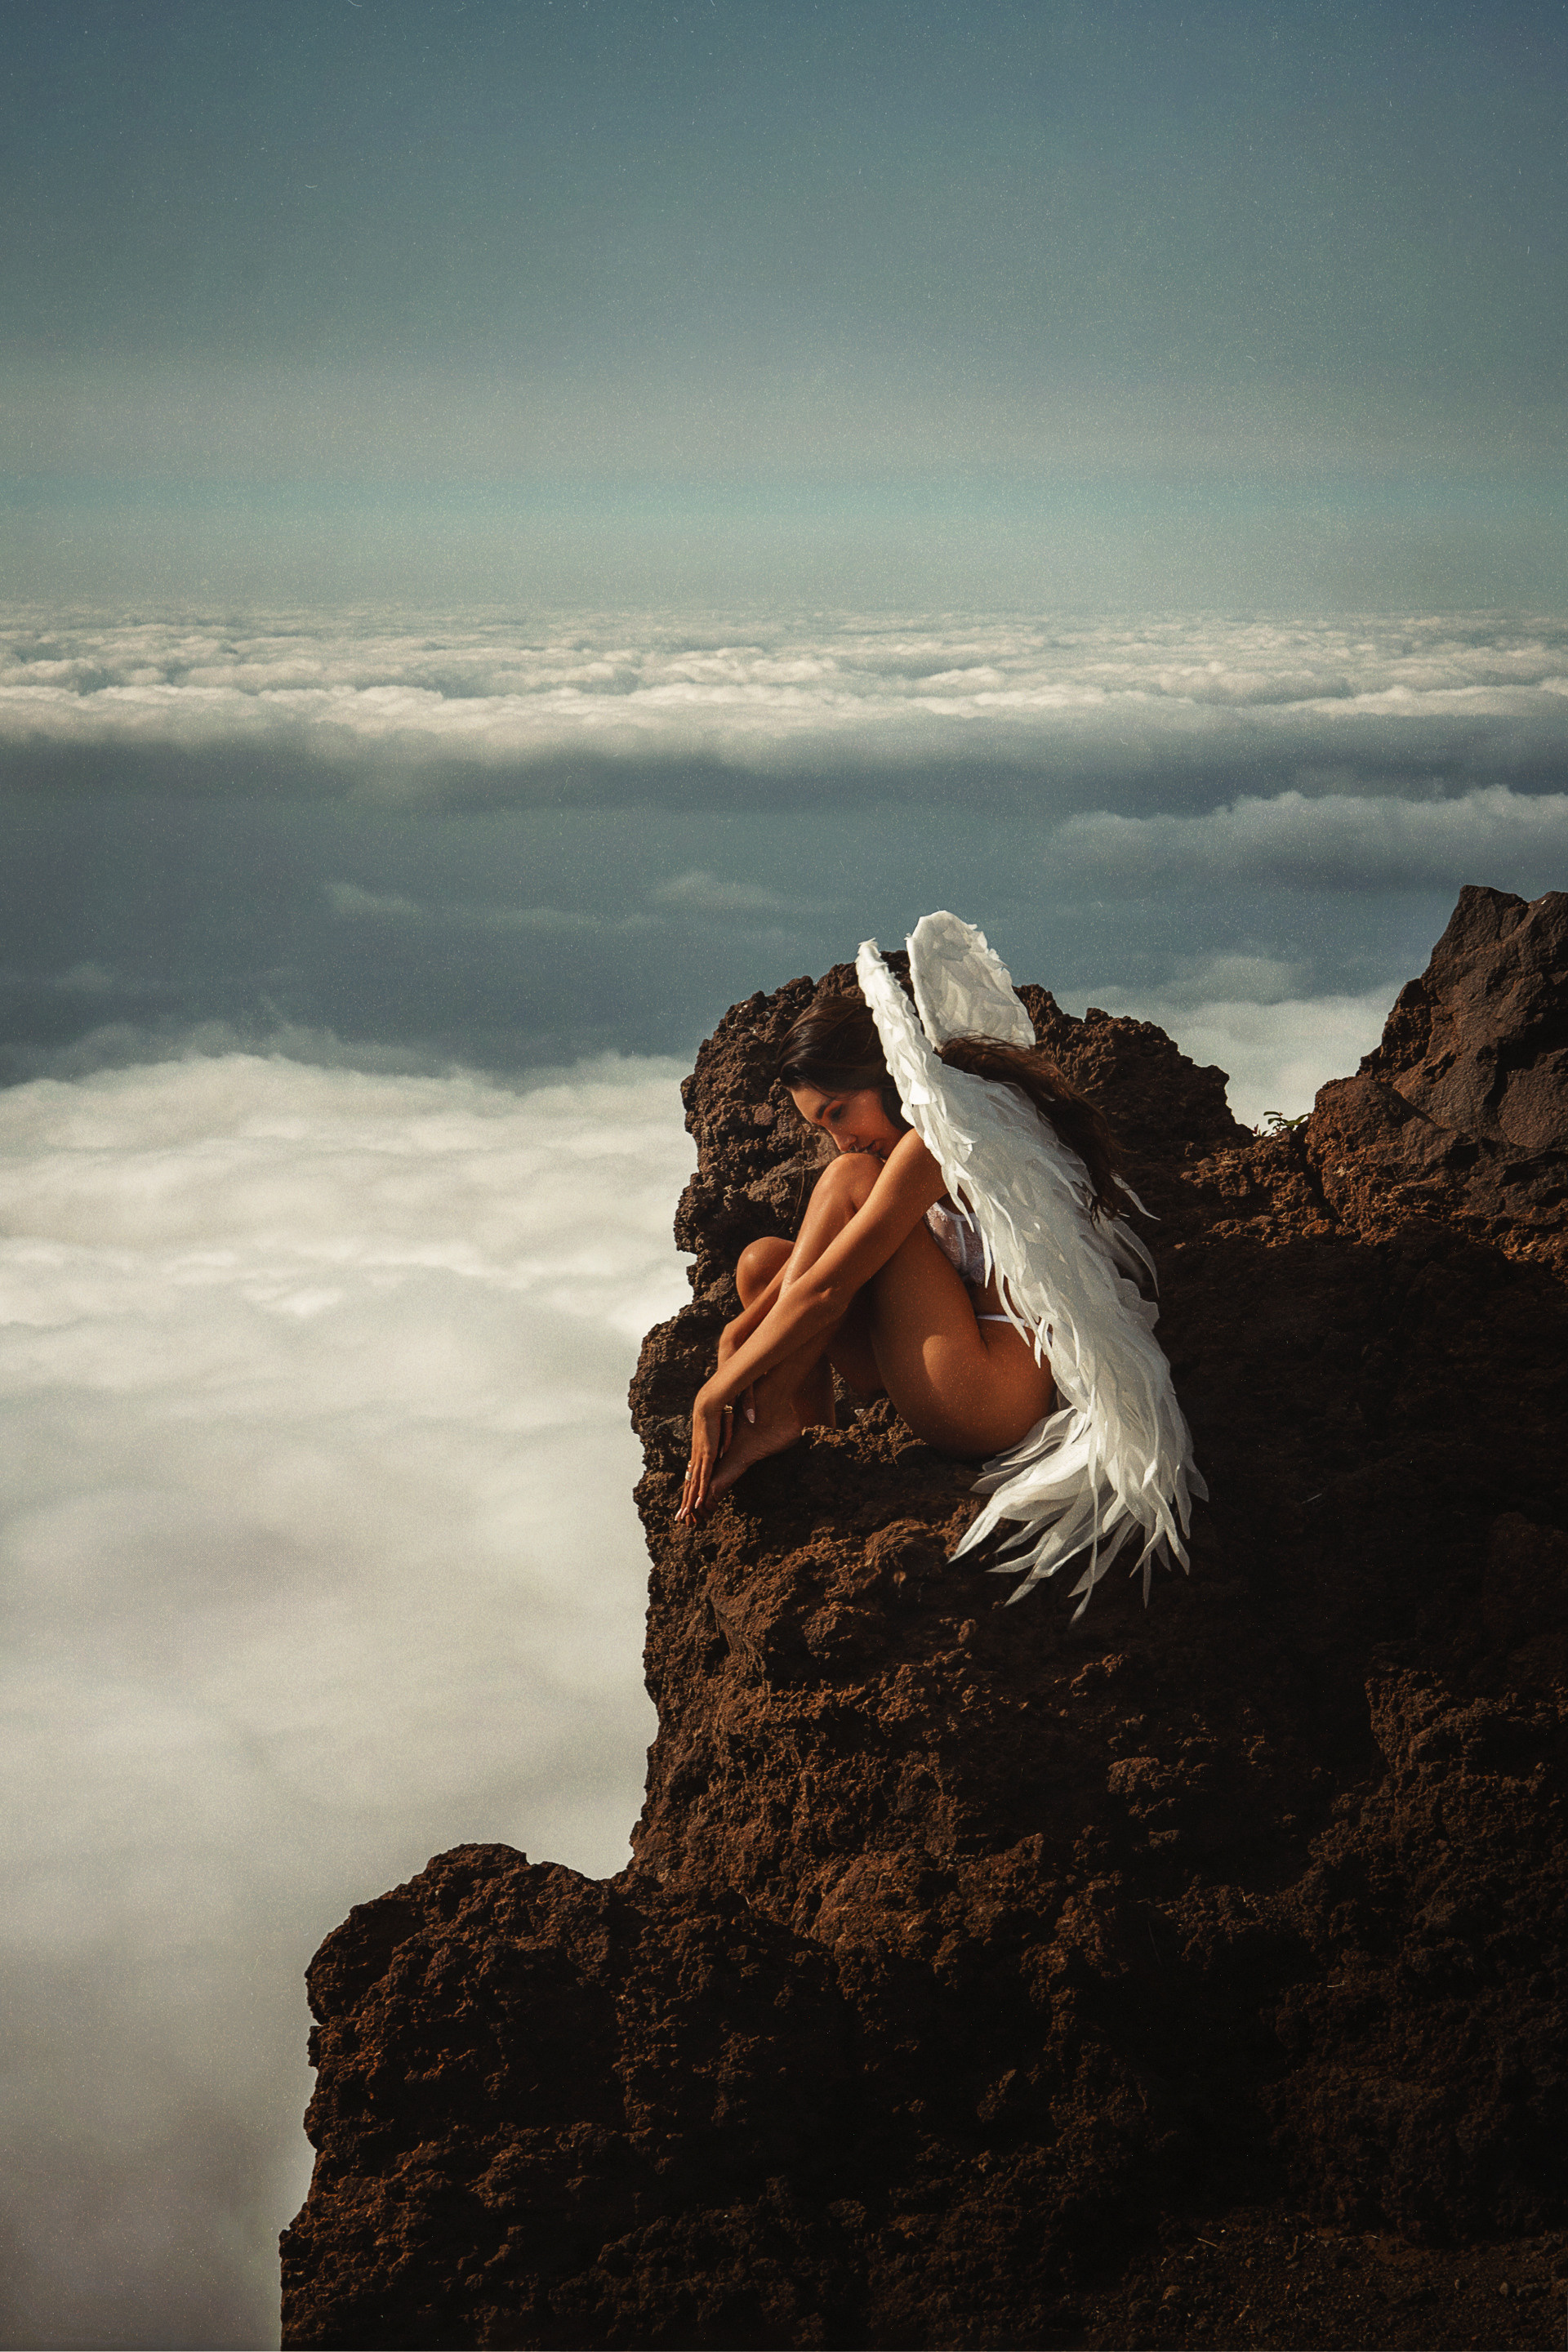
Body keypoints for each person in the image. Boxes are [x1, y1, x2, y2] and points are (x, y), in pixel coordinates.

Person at [678, 912, 1205, 1615]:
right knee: (760, 1262)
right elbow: (813, 1280)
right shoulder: (926, 1135)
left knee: (847, 1190)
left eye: (840, 1112)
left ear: (889, 1078)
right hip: (945, 1355)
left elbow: (831, 1289)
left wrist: (720, 1386)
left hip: (985, 1395)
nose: (839, 1139)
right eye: (822, 1126)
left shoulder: (934, 1139)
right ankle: (801, 1432)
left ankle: (768, 1409)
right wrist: (736, 1341)